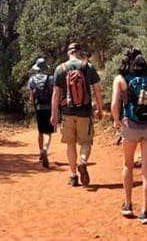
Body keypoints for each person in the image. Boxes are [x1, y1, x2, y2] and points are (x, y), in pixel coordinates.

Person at [111, 48, 147, 224]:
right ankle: (145, 212)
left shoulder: (120, 80)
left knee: (128, 164)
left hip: (130, 125)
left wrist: (116, 120)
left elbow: (114, 104)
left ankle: (128, 205)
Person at [50, 42, 103, 187]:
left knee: (70, 144)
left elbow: (56, 94)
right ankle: (83, 161)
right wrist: (100, 109)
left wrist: (54, 113)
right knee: (86, 142)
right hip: (84, 112)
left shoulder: (60, 69)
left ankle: (73, 176)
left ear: (68, 53)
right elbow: (97, 90)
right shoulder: (88, 67)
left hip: (67, 112)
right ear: (79, 52)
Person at [27, 57, 55, 168]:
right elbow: (54, 94)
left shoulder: (32, 80)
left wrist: (32, 106)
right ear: (45, 68)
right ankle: (45, 149)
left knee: (40, 132)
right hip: (49, 108)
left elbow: (31, 97)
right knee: (48, 132)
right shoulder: (51, 79)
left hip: (38, 108)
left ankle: (40, 152)